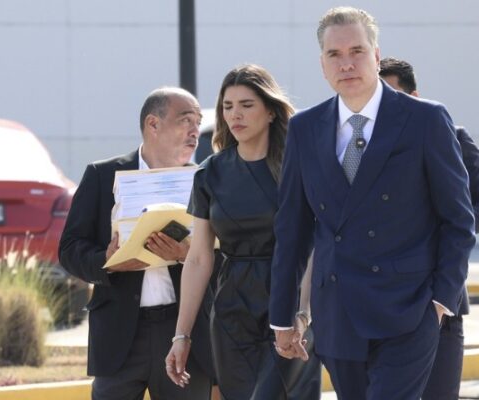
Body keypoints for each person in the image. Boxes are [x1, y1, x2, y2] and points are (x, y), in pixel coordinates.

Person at [269, 7, 476, 400]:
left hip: (409, 309)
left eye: (357, 51)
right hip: (337, 313)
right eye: (334, 54)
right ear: (322, 64)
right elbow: (292, 229)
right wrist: (282, 317)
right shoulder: (304, 128)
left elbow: (458, 220)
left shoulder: (426, 119)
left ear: (376, 56)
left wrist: (440, 301)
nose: (346, 64)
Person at [165, 64, 321, 400]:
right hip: (231, 312)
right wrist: (182, 335)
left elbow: (312, 249)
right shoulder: (209, 173)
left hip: (289, 303)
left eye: (247, 105)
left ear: (270, 112)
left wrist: (302, 314)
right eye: (228, 106)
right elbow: (198, 259)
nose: (235, 114)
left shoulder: (299, 167)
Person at [59, 87, 214, 400]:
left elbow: (226, 254)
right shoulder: (102, 176)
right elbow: (69, 249)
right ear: (153, 124)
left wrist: (188, 255)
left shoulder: (204, 180)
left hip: (183, 334)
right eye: (186, 120)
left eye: (198, 122)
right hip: (119, 337)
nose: (195, 131)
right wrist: (106, 260)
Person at [380, 57, 479, 399]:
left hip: (440, 302)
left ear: (415, 97)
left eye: (393, 97)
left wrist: (446, 228)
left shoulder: (452, 136)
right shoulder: (355, 146)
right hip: (376, 306)